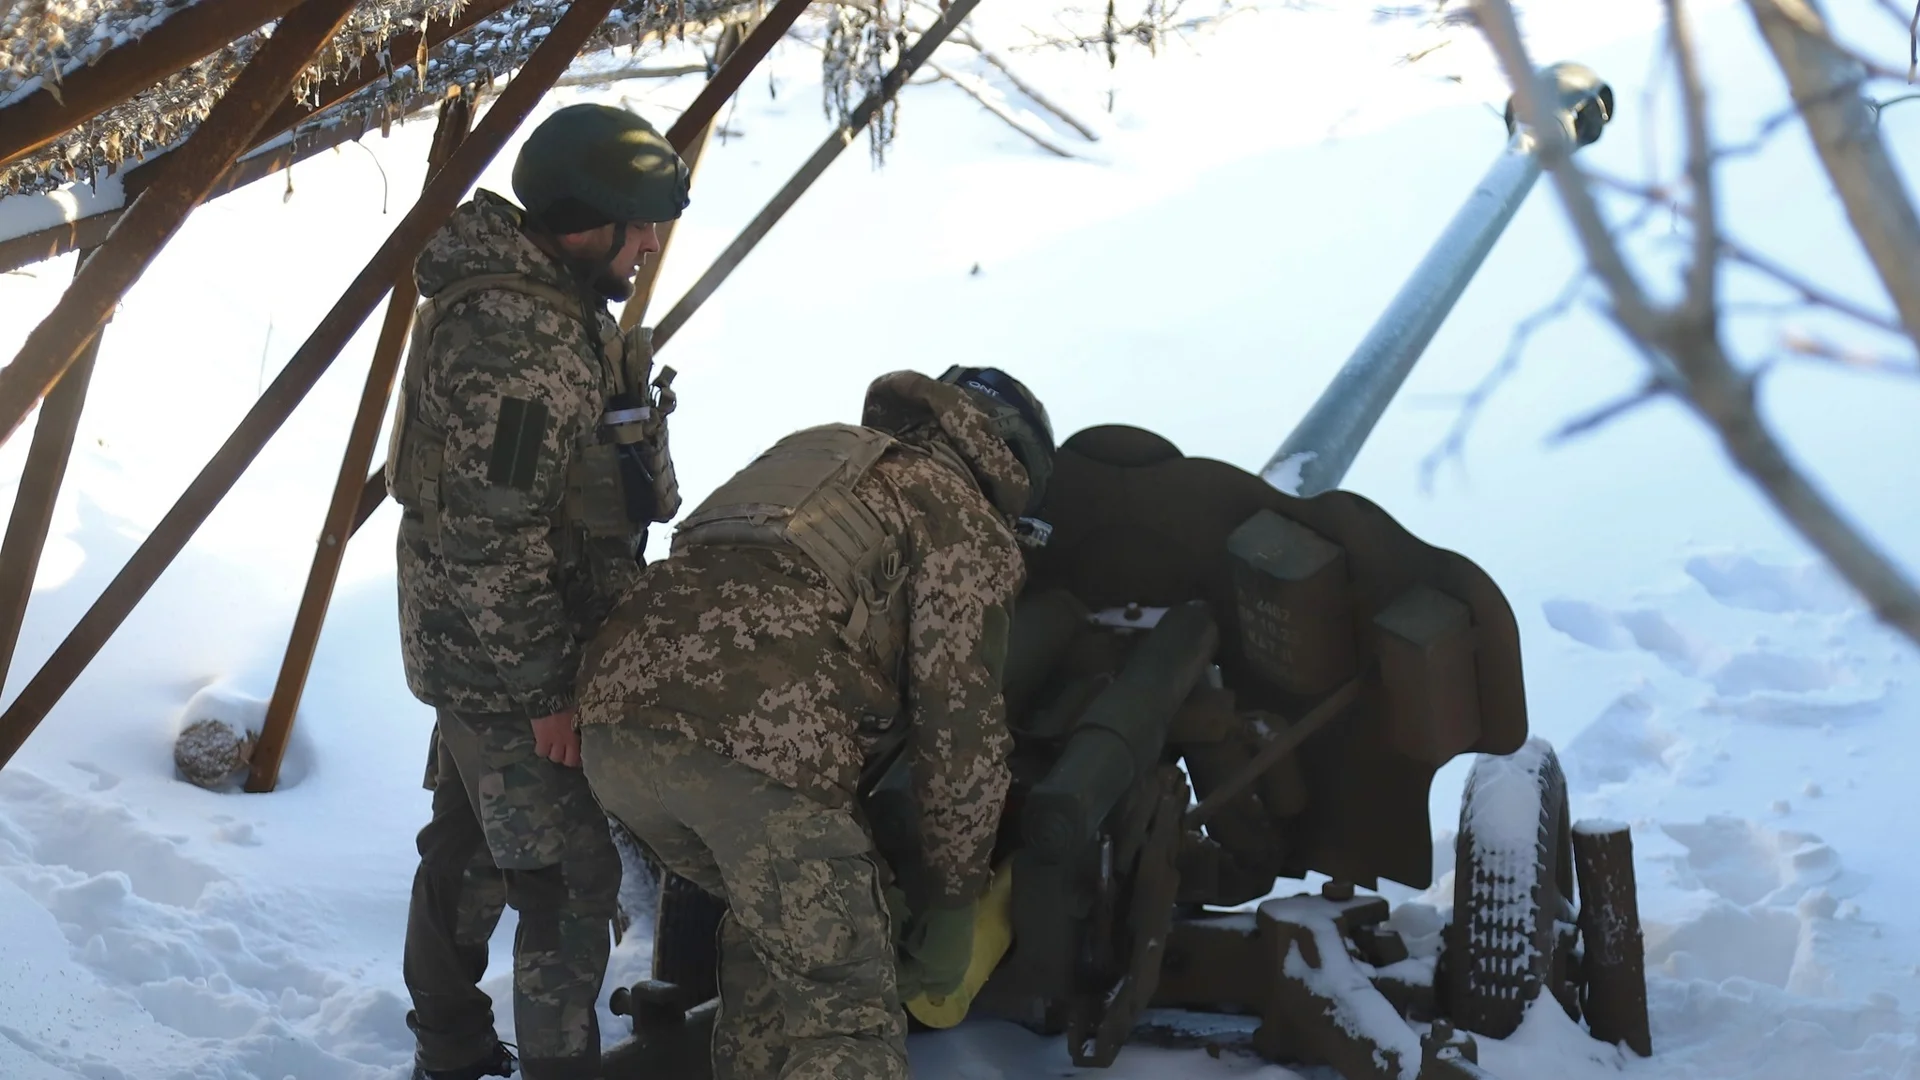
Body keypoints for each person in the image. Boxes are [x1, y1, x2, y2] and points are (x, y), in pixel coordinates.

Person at [574, 367, 1055, 1080]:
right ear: (1010, 461)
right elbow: (961, 731)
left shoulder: (822, 453)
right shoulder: (961, 515)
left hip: (614, 732)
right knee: (848, 1012)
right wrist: (954, 902)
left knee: (774, 945)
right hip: (754, 758)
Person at [386, 103, 690, 1080]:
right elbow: (492, 536)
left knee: (469, 851)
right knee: (565, 883)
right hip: (509, 661)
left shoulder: (532, 304)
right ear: (575, 216)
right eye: (636, 223)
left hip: (482, 646)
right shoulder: (522, 347)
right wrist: (554, 691)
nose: (651, 244)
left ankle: (451, 1051)